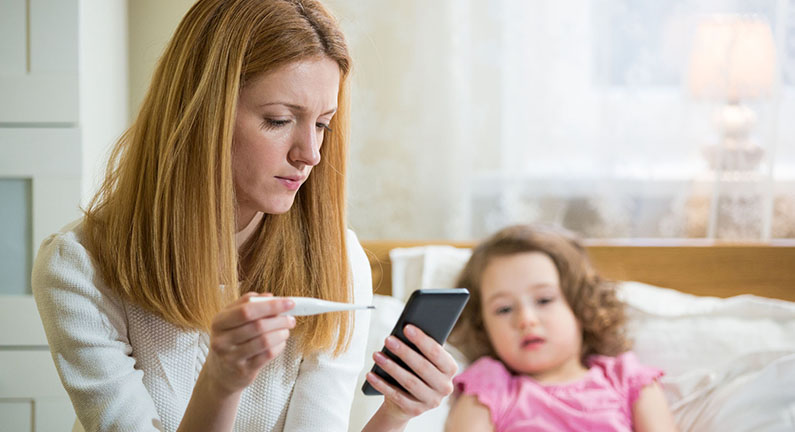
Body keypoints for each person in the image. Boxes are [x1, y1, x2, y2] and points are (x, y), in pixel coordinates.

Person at [31, 0, 456, 430]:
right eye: (279, 120)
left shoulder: (337, 258)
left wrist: (396, 413)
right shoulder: (78, 268)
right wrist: (220, 383)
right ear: (199, 115)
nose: (310, 154)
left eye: (323, 124)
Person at [445, 225, 678, 432]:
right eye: (504, 309)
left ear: (581, 307)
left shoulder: (627, 378)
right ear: (482, 325)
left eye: (544, 300)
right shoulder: (488, 386)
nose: (526, 320)